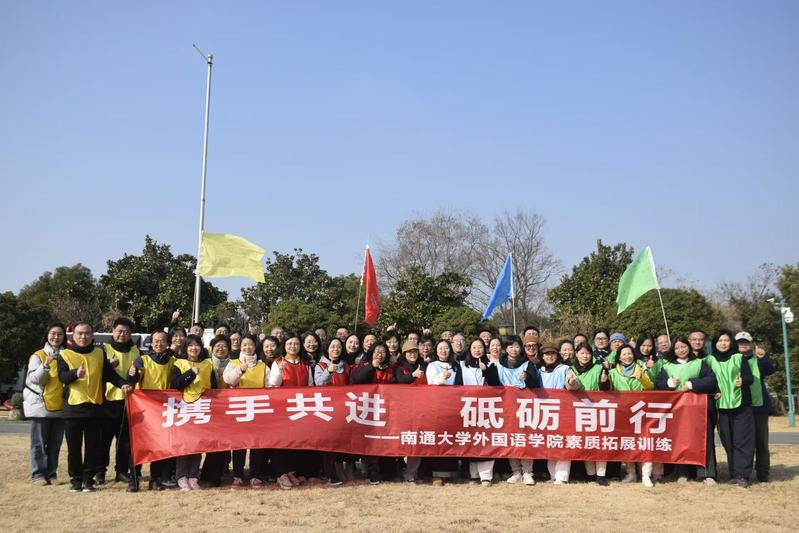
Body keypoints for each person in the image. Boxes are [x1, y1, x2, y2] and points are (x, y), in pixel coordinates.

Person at [58, 322, 132, 493]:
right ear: (74, 336)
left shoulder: (99, 353)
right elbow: (62, 376)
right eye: (80, 333)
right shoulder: (65, 354)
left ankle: (88, 480)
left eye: (87, 333)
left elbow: (109, 374)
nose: (83, 337)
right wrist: (75, 374)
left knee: (93, 447)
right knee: (74, 449)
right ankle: (76, 480)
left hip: (95, 408)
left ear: (92, 335)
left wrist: (123, 384)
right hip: (73, 409)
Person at [655, 336, 718, 485]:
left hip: (698, 410)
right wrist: (669, 383)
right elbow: (658, 383)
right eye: (677, 348)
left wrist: (691, 384)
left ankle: (707, 473)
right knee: (680, 441)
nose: (680, 350)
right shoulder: (668, 366)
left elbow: (711, 380)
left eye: (683, 346)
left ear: (689, 347)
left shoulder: (699, 363)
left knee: (704, 440)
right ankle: (682, 472)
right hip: (678, 411)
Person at [484, 336, 538, 485]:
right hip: (505, 407)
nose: (514, 349)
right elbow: (493, 383)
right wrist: (487, 371)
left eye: (516, 346)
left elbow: (535, 384)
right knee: (510, 439)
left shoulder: (527, 364)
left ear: (521, 348)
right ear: (505, 349)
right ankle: (516, 471)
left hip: (524, 407)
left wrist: (527, 378)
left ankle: (528, 472)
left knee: (525, 439)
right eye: (510, 346)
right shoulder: (499, 364)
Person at [127, 330, 176, 491]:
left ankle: (155, 479)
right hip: (144, 409)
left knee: (159, 446)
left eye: (162, 341)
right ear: (151, 342)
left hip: (163, 410)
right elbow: (133, 378)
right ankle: (134, 480)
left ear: (167, 343)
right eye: (156, 341)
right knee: (139, 446)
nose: (159, 344)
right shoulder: (143, 359)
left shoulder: (173, 361)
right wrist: (132, 374)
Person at [707, 330, 755, 487]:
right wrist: (713, 391)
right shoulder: (710, 360)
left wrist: (744, 381)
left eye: (726, 340)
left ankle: (743, 475)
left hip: (741, 406)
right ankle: (733, 473)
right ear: (715, 343)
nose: (723, 343)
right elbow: (707, 380)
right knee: (728, 441)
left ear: (731, 342)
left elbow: (750, 378)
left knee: (742, 441)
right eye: (720, 340)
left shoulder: (739, 358)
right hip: (721, 407)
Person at [97, 317, 140, 486]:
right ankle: (100, 471)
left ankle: (121, 471)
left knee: (124, 441)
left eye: (127, 332)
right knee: (103, 440)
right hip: (107, 400)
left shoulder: (135, 350)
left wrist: (136, 374)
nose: (123, 334)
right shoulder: (103, 349)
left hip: (128, 400)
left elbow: (140, 374)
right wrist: (108, 366)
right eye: (120, 331)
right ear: (113, 331)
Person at [224, 334, 270, 487]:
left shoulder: (263, 365)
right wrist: (240, 370)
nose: (247, 347)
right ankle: (238, 475)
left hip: (258, 408)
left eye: (250, 344)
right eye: (244, 345)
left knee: (257, 444)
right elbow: (228, 380)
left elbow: (270, 385)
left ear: (255, 346)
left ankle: (254, 475)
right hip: (240, 408)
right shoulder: (233, 363)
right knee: (239, 444)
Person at [172, 334, 217, 490]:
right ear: (185, 348)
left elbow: (214, 387)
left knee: (198, 443)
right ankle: (181, 476)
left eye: (197, 345)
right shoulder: (179, 363)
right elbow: (175, 384)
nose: (194, 348)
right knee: (184, 443)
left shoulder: (208, 364)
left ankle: (193, 476)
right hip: (184, 408)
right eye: (190, 345)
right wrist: (191, 373)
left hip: (202, 408)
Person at [268, 335, 313, 490]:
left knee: (296, 441)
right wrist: (280, 371)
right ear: (284, 346)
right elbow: (273, 384)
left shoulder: (305, 364)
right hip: (283, 407)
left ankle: (291, 471)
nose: (293, 346)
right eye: (289, 343)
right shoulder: (278, 363)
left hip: (300, 407)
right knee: (282, 442)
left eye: (296, 344)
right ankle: (280, 473)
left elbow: (310, 385)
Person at [23, 323, 66, 486]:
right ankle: (38, 475)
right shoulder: (38, 355)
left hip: (60, 406)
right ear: (47, 335)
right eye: (53, 333)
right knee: (39, 444)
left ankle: (52, 474)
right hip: (41, 406)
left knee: (55, 445)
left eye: (60, 334)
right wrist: (46, 365)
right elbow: (35, 379)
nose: (56, 337)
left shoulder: (67, 355)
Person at [608, 344, 655, 487]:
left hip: (641, 411)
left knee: (644, 442)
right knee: (627, 443)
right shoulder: (613, 373)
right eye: (624, 354)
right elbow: (608, 391)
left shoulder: (641, 369)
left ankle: (646, 474)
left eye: (629, 353)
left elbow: (651, 387)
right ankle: (631, 473)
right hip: (622, 413)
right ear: (619, 357)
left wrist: (642, 379)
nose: (627, 356)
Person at [566, 342, 611, 485]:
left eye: (587, 353)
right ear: (576, 354)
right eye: (582, 353)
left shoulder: (599, 368)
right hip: (579, 411)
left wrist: (604, 382)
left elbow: (606, 388)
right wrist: (571, 383)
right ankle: (590, 474)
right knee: (586, 443)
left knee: (600, 443)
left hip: (597, 409)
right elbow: (570, 386)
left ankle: (601, 474)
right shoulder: (571, 369)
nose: (585, 356)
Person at [351, 342, 395, 484]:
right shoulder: (364, 366)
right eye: (376, 351)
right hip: (368, 410)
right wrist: (372, 367)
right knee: (372, 441)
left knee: (386, 440)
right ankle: (373, 472)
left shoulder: (390, 369)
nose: (379, 354)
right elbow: (358, 380)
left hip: (386, 410)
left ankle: (387, 471)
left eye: (382, 352)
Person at [736, 331, 774, 482]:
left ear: (752, 344)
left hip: (759, 407)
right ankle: (742, 473)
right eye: (740, 342)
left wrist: (763, 357)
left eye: (746, 342)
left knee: (761, 442)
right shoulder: (733, 360)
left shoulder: (758, 360)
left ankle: (763, 473)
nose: (743, 345)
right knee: (742, 442)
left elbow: (770, 369)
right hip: (739, 406)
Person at [425, 339, 462, 485]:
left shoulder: (457, 366)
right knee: (440, 438)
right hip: (438, 407)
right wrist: (442, 377)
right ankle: (437, 474)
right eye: (440, 348)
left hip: (454, 406)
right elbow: (431, 382)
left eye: (446, 348)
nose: (443, 351)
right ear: (436, 351)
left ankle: (453, 472)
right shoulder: (432, 365)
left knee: (453, 438)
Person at [314, 337, 351, 486]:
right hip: (326, 409)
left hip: (342, 408)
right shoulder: (320, 365)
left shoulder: (345, 366)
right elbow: (318, 383)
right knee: (328, 442)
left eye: (338, 347)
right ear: (327, 349)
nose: (336, 349)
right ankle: (329, 474)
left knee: (340, 440)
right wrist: (328, 371)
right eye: (332, 347)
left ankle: (340, 469)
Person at [459, 338, 495, 486]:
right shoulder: (462, 365)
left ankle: (486, 475)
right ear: (469, 350)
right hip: (468, 407)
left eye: (480, 347)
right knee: (472, 441)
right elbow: (458, 385)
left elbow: (496, 383)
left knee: (485, 441)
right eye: (474, 347)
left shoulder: (491, 364)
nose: (477, 350)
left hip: (487, 408)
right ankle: (473, 475)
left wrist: (486, 370)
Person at [200, 335, 232, 487]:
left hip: (226, 408)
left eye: (224, 346)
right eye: (218, 346)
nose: (221, 349)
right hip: (208, 406)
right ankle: (209, 474)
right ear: (212, 348)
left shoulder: (233, 364)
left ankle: (216, 473)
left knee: (223, 442)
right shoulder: (206, 363)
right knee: (210, 442)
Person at [538, 342, 571, 484]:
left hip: (562, 411)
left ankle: (562, 476)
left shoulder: (565, 368)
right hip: (544, 412)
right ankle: (553, 475)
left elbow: (571, 383)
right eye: (547, 354)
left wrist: (571, 383)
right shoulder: (538, 371)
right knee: (550, 444)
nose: (550, 356)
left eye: (552, 353)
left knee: (562, 443)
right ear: (542, 356)